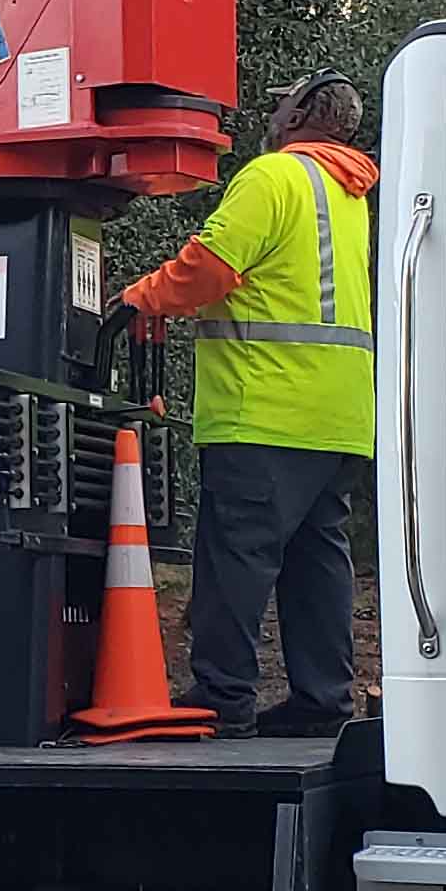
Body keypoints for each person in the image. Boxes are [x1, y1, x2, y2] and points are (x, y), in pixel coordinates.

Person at [112, 69, 376, 738]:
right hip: (339, 415)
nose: (272, 112)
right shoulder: (348, 194)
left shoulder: (273, 177)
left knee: (237, 556)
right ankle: (323, 703)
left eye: (279, 101)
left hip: (265, 406)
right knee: (318, 561)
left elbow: (209, 267)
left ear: (297, 118)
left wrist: (138, 298)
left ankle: (220, 699)